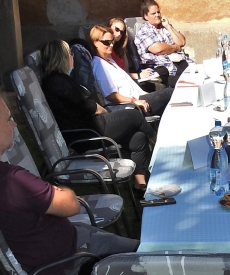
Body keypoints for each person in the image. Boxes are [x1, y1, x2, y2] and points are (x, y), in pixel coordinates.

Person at [0, 89, 139, 275]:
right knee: (149, 254)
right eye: (8, 119)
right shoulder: (11, 180)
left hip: (53, 249)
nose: (14, 124)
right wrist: (59, 191)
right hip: (68, 260)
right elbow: (71, 205)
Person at [41, 39, 156, 193]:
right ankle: (159, 148)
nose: (72, 57)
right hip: (87, 133)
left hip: (89, 127)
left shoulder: (58, 80)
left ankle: (140, 186)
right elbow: (91, 107)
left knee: (138, 137)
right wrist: (107, 114)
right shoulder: (58, 82)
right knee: (134, 116)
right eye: (70, 54)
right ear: (61, 58)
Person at [89, 25, 172, 116]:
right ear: (95, 43)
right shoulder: (99, 65)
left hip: (138, 99)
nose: (111, 45)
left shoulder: (110, 61)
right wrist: (134, 101)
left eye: (112, 41)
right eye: (107, 42)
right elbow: (110, 95)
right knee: (170, 93)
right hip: (130, 107)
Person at [134, 0, 192, 86]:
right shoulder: (144, 31)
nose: (157, 15)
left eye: (158, 12)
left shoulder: (164, 27)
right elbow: (159, 49)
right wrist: (175, 47)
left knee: (197, 77)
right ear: (146, 16)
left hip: (179, 60)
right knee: (187, 84)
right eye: (153, 13)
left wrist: (168, 27)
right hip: (163, 67)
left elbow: (181, 42)